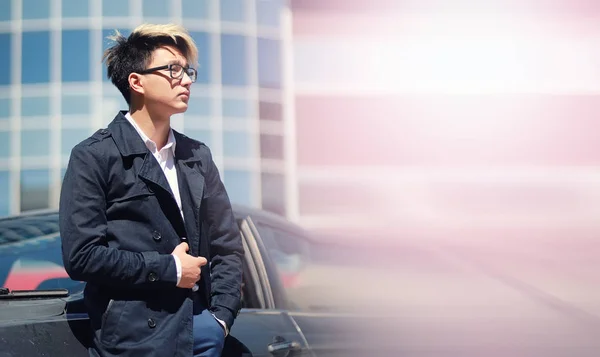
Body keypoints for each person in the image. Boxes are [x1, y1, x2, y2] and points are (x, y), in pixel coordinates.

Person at [59, 23, 244, 357]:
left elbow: (227, 247)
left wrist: (220, 320)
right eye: (173, 70)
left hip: (200, 332)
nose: (186, 80)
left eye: (188, 71)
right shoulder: (95, 155)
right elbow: (81, 256)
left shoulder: (197, 156)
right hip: (133, 341)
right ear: (136, 81)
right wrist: (169, 269)